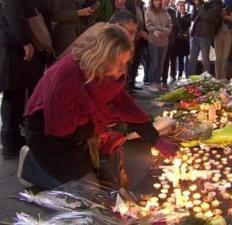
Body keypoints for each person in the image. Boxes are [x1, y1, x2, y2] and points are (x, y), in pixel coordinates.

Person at [19, 24, 179, 190]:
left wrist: (156, 140)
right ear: (104, 57)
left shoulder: (106, 74)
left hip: (80, 132)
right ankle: (33, 165)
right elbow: (61, 131)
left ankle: (60, 168)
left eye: (125, 63)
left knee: (109, 179)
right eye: (119, 63)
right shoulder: (68, 77)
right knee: (89, 192)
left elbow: (127, 109)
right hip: (50, 137)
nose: (123, 69)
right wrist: (98, 128)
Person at [0, 0, 49, 159]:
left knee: (17, 94)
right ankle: (10, 143)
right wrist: (25, 41)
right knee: (13, 94)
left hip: (10, 42)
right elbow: (13, 12)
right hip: (11, 45)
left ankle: (13, 139)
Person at [187, 0, 222, 76]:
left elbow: (207, 16)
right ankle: (189, 78)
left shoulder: (218, 4)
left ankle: (204, 79)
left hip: (206, 35)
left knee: (205, 59)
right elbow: (193, 17)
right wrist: (195, 5)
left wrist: (199, 5)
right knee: (192, 58)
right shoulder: (203, 3)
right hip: (195, 33)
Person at [145, 0, 172, 92]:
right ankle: (151, 83)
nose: (158, 2)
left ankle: (158, 82)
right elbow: (148, 26)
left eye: (159, 0)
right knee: (155, 62)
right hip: (153, 41)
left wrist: (163, 32)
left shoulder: (165, 12)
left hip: (164, 41)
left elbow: (170, 27)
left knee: (161, 63)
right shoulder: (148, 11)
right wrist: (156, 30)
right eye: (156, 0)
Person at [214, 0, 232, 80]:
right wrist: (220, 14)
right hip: (218, 33)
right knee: (218, 58)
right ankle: (217, 79)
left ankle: (223, 80)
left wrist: (231, 18)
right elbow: (213, 19)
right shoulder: (219, 4)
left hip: (229, 33)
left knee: (225, 58)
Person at [162, 0, 178, 87]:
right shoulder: (158, 10)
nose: (166, 1)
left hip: (169, 39)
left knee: (166, 61)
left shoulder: (172, 11)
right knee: (158, 61)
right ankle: (155, 80)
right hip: (158, 39)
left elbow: (174, 23)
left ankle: (164, 80)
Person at [174, 0, 191, 79]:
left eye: (183, 5)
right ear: (177, 6)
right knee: (173, 58)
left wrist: (182, 16)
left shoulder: (188, 15)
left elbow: (187, 23)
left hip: (184, 40)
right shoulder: (174, 15)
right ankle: (173, 74)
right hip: (176, 40)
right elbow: (174, 25)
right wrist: (180, 17)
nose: (182, 7)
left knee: (182, 58)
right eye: (180, 5)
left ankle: (180, 75)